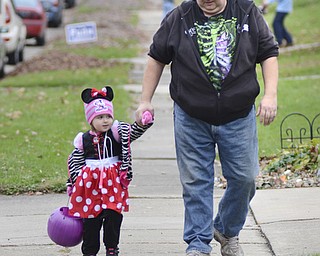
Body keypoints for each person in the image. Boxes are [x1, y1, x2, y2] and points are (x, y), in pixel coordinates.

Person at [135, 0, 279, 255]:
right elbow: (156, 57)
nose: (206, 1)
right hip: (191, 116)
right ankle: (198, 243)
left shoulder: (246, 11)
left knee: (245, 178)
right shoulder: (179, 17)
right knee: (196, 182)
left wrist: (270, 95)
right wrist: (145, 100)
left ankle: (226, 229)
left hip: (238, 114)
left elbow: (268, 52)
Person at [66, 86, 153, 256]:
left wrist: (143, 123)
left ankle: (112, 247)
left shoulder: (117, 133)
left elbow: (133, 132)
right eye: (100, 117)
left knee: (113, 215)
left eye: (108, 116)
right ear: (90, 120)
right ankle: (90, 250)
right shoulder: (83, 140)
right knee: (91, 218)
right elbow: (74, 162)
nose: (105, 120)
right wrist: (72, 183)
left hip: (113, 183)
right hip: (89, 186)